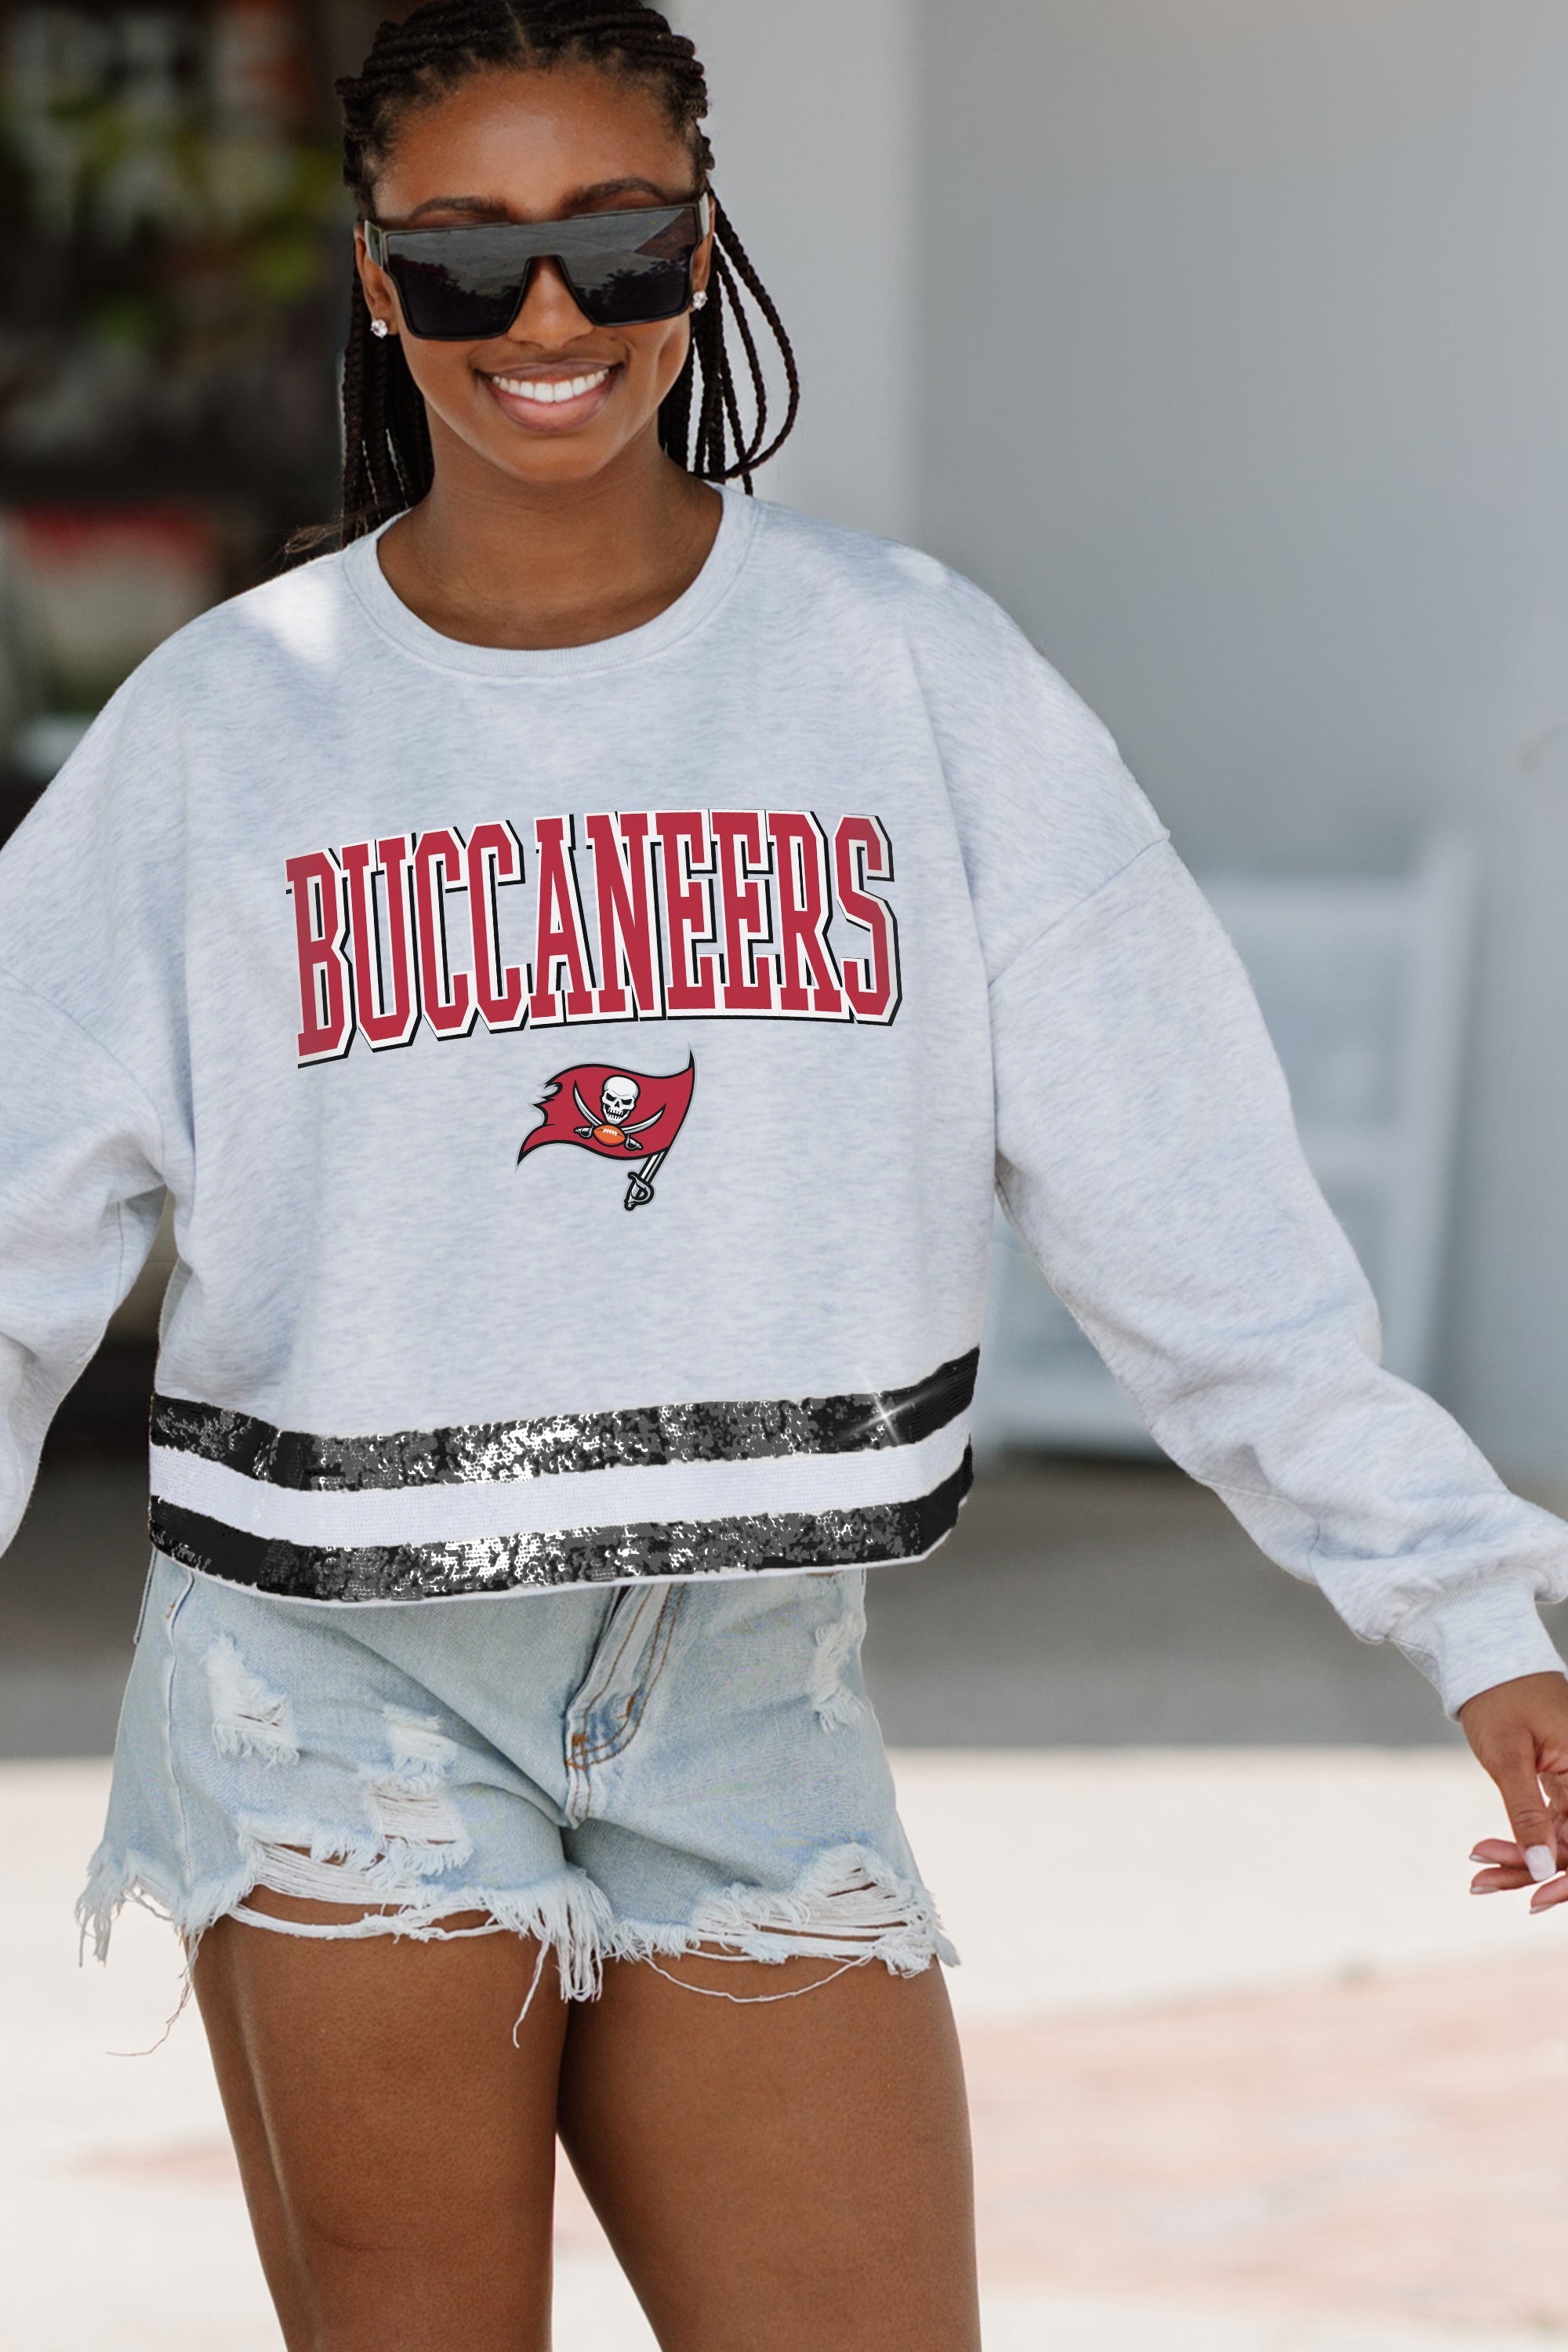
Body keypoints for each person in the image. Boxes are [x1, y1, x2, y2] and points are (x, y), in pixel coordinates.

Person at [2, 2, 1563, 2343]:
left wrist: (1471, 1603)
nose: (549, 313)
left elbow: (1187, 1202)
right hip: (332, 1675)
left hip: (750, 1675)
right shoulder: (227, 729)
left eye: (620, 240)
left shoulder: (909, 675)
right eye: (468, 255)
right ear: (379, 282)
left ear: (704, 247)